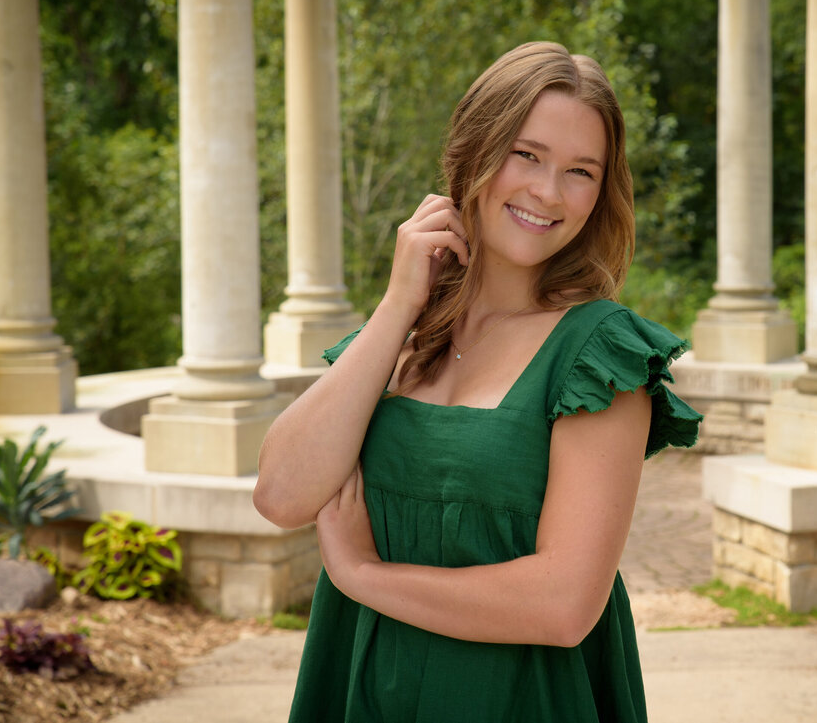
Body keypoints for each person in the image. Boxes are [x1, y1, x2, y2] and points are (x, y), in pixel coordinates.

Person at [253, 41, 701, 722]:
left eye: (580, 170)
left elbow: (564, 603)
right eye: (527, 155)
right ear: (475, 151)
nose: (548, 192)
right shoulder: (396, 340)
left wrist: (364, 576)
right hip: (362, 693)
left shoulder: (599, 355)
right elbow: (282, 493)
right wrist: (399, 305)